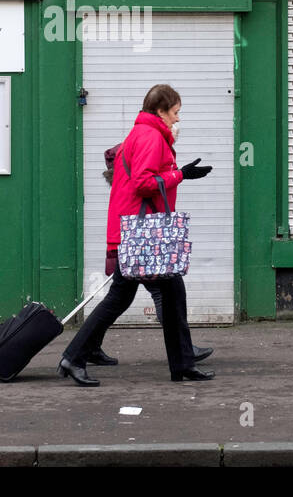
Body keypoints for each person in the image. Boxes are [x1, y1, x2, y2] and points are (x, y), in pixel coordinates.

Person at [58, 84, 215, 386]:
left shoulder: (143, 133)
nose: (177, 120)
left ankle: (180, 365)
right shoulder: (150, 136)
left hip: (134, 231)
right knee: (140, 297)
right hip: (143, 235)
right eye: (175, 113)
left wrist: (178, 173)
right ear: (160, 111)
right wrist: (180, 174)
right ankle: (75, 356)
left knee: (148, 296)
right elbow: (143, 182)